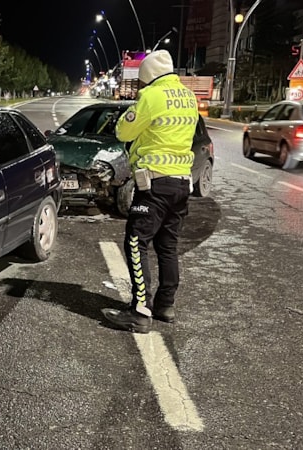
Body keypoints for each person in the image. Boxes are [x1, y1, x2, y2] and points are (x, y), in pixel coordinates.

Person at [102, 50, 198, 333]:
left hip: (155, 184)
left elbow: (123, 132)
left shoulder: (151, 97)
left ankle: (140, 311)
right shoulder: (189, 97)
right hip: (182, 183)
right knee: (168, 245)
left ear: (147, 77)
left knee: (136, 241)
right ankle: (165, 305)